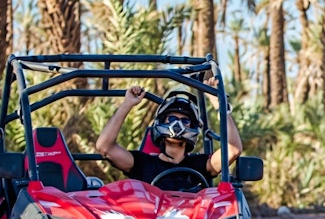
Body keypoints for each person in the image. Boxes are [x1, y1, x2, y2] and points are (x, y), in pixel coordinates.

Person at [96, 78, 242, 191]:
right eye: (171, 119)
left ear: (193, 127)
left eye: (185, 121)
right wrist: (127, 104)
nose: (177, 125)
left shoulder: (200, 165)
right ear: (160, 123)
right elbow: (105, 147)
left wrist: (219, 105)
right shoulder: (142, 163)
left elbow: (233, 149)